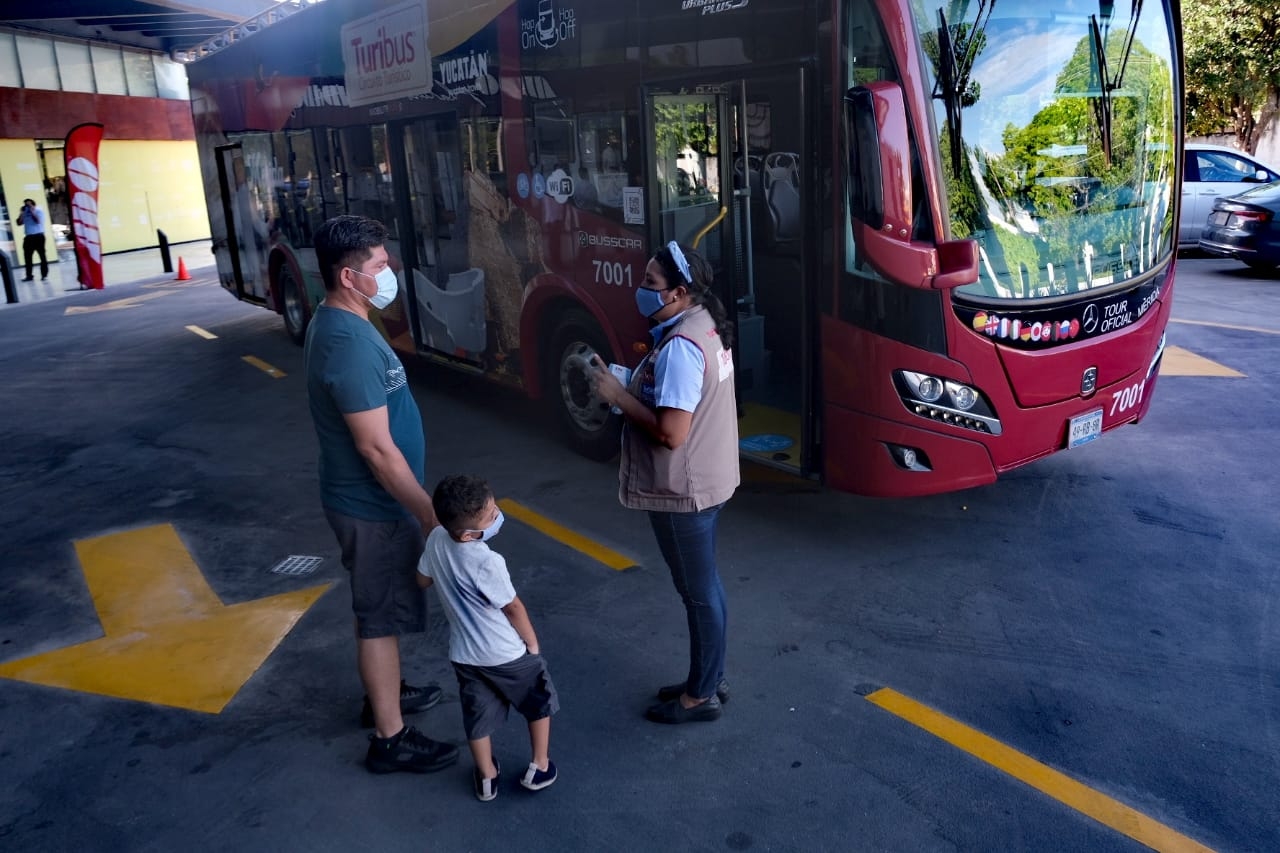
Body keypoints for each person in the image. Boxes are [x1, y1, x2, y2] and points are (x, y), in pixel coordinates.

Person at [303, 214, 458, 774]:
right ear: (349, 277)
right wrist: (428, 514)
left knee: (380, 610)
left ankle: (383, 693)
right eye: (379, 266)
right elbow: (375, 450)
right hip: (372, 508)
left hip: (371, 504)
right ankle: (389, 737)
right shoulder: (347, 344)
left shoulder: (349, 319)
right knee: (379, 616)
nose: (388, 272)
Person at [589, 241, 739, 725]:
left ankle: (700, 697)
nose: (641, 289)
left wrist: (616, 395)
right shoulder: (702, 326)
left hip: (683, 491)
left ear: (678, 292)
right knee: (706, 588)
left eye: (650, 284)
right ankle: (708, 678)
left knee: (698, 593)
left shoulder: (680, 348)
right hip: (708, 479)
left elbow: (672, 432)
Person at [418, 475, 559, 801]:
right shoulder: (486, 562)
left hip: (465, 656)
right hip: (507, 654)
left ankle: (486, 775)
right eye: (492, 516)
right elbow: (512, 607)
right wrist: (532, 644)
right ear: (469, 534)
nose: (498, 517)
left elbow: (422, 580)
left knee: (477, 716)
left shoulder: (437, 538)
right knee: (538, 701)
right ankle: (540, 765)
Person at [17, 199, 48, 282]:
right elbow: (19, 223)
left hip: (39, 236)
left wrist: (32, 210)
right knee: (27, 257)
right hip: (28, 237)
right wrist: (22, 213)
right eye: (26, 205)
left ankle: (44, 275)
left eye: (29, 204)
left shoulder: (39, 211)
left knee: (42, 256)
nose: (27, 206)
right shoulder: (25, 213)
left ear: (33, 205)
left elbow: (37, 221)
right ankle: (29, 276)